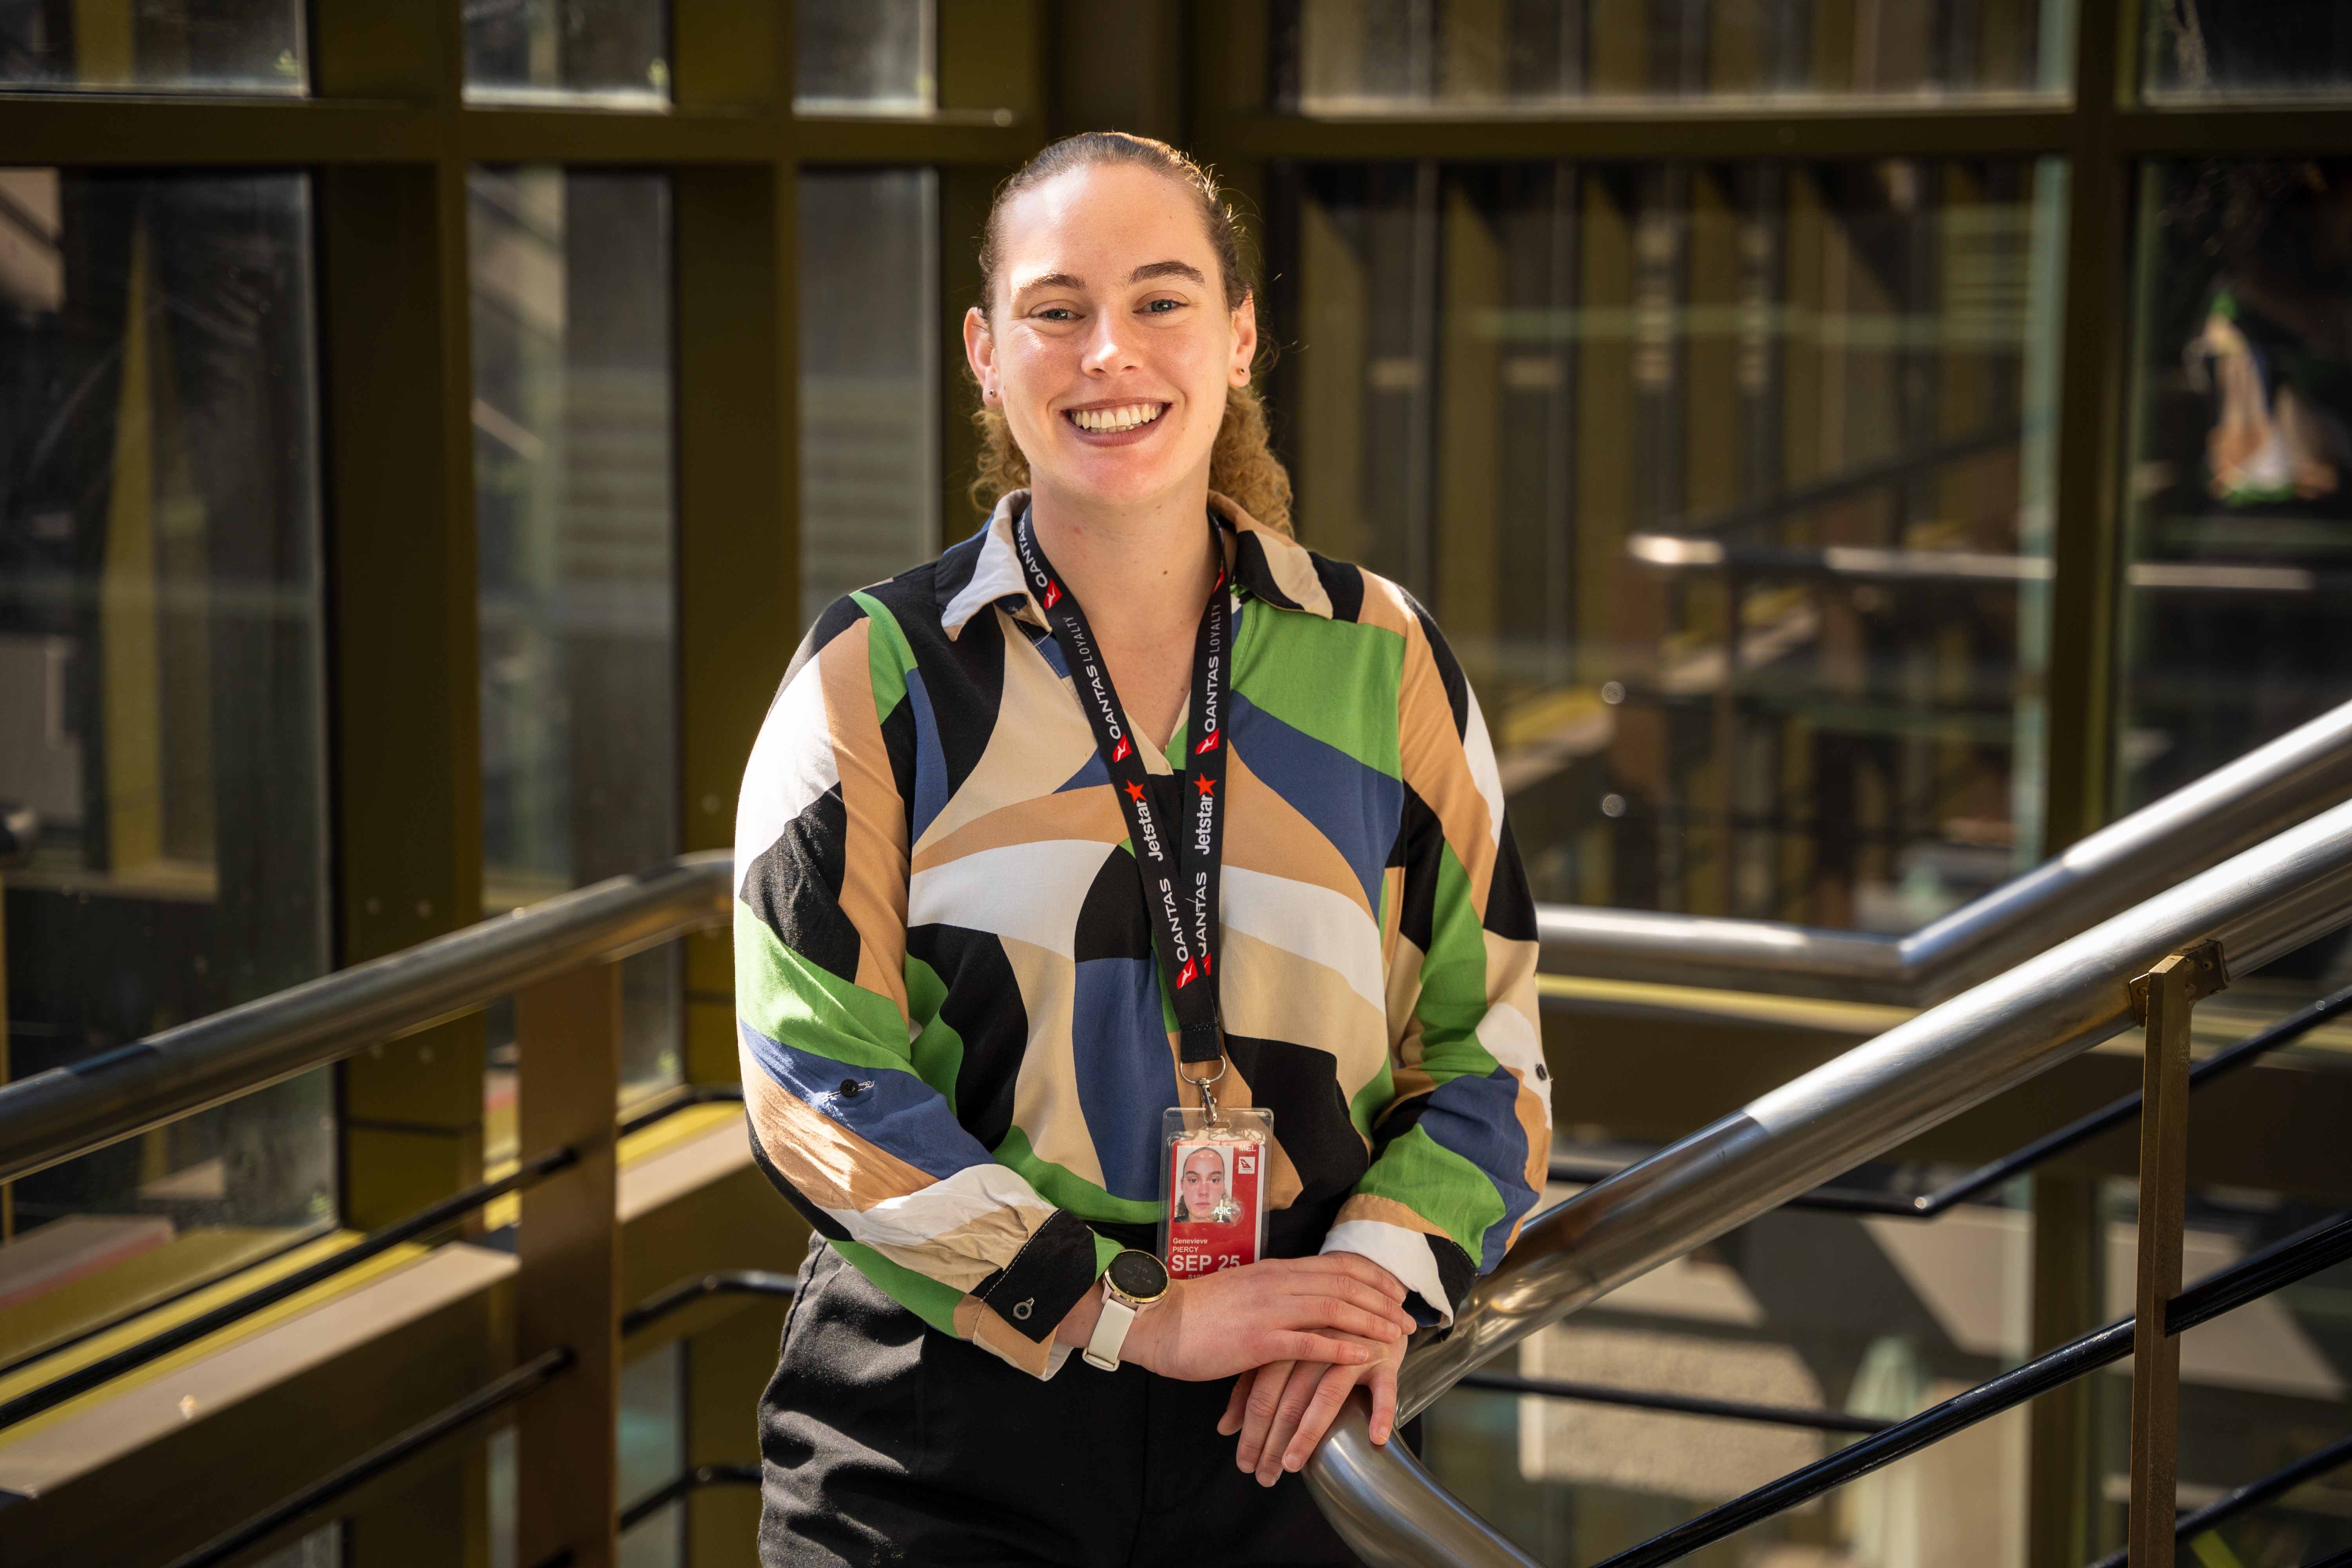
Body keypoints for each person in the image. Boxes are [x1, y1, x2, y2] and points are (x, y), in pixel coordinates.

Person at [734, 131, 1549, 1567]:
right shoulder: (874, 676)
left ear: (1238, 337)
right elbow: (813, 1077)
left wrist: (1369, 1273)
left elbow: (1488, 1053)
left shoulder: (1385, 659)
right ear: (986, 352)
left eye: (1162, 300)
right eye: (1057, 309)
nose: (1109, 351)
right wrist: (1131, 1307)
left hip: (1282, 1412)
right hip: (946, 1424)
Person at [1176, 1143, 1230, 1224]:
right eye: (1193, 1180)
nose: (1204, 1192)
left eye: (1214, 1180)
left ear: (1223, 1186)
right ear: (1182, 1185)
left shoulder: (1235, 1230)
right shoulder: (1171, 1228)